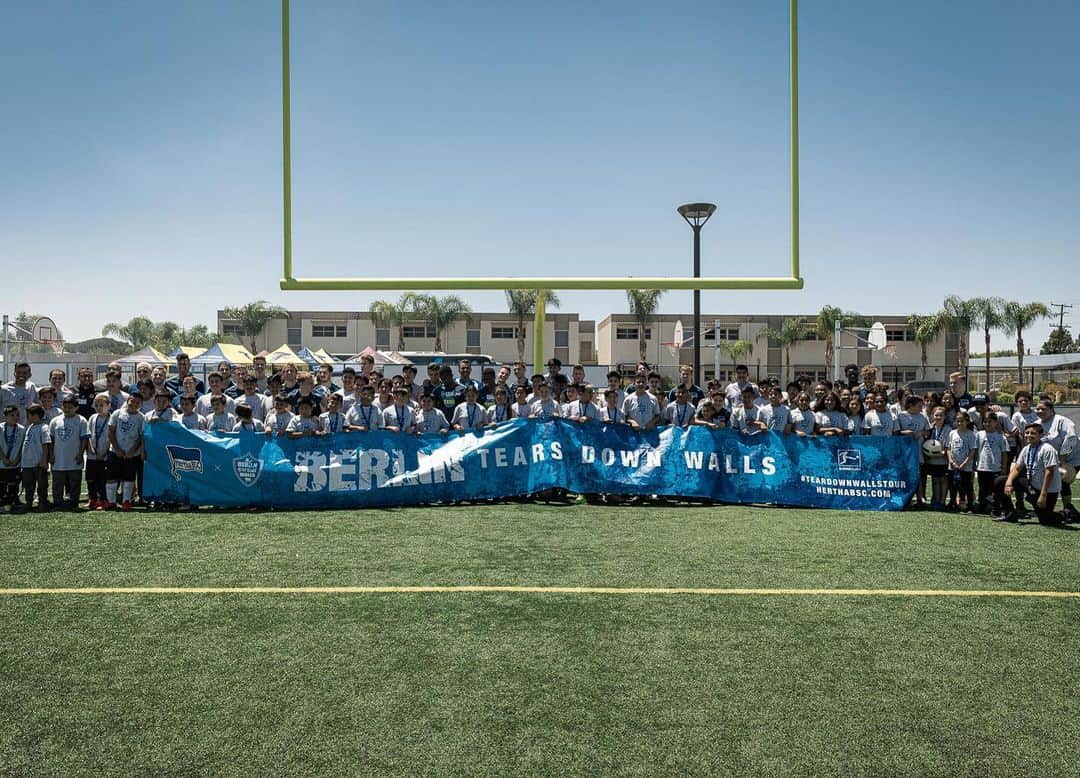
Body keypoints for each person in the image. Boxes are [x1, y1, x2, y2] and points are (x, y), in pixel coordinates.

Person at [995, 423, 1061, 524]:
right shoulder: (1026, 448)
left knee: (1046, 519)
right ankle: (1010, 514)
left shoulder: (1047, 449)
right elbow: (1017, 468)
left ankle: (1067, 513)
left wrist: (1043, 495)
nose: (1029, 435)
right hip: (1031, 484)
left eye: (1033, 433)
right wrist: (1008, 483)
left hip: (1047, 490)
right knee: (1000, 481)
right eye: (1027, 433)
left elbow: (1049, 473)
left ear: (1041, 435)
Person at [1032, 397, 1079, 521]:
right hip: (1055, 459)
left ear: (1051, 410)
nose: (1040, 411)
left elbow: (1071, 439)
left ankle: (1068, 509)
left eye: (1043, 409)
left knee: (1063, 480)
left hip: (1072, 458)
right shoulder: (1037, 423)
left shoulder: (1062, 421)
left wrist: (1062, 461)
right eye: (1038, 409)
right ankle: (1066, 509)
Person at [49, 396, 89, 511]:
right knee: (57, 483)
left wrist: (80, 454)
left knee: (74, 482)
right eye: (65, 407)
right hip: (58, 458)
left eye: (70, 407)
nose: (67, 409)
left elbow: (84, 439)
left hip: (74, 458)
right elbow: (51, 440)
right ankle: (58, 503)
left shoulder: (81, 420)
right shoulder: (55, 421)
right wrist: (51, 455)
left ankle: (73, 503)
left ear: (76, 408)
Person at [107, 393, 145, 510]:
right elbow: (111, 432)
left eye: (137, 403)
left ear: (141, 405)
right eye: (132, 401)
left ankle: (126, 501)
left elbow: (141, 437)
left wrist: (132, 450)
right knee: (111, 477)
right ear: (128, 400)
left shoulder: (141, 417)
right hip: (115, 452)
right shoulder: (117, 413)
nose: (134, 404)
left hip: (132, 454)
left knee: (129, 478)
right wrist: (117, 449)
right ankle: (111, 502)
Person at [898, 395, 931, 507]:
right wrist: (907, 433)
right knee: (905, 476)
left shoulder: (923, 417)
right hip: (904, 452)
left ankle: (920, 497)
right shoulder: (901, 416)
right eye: (919, 406)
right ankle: (905, 499)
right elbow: (896, 432)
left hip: (918, 451)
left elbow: (928, 432)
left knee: (919, 475)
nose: (921, 408)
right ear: (911, 405)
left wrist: (921, 433)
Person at [974, 412, 1010, 516]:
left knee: (995, 489)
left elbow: (1004, 453)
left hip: (995, 468)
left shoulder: (1000, 437)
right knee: (982, 488)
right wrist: (975, 464)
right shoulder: (979, 434)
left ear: (996, 422)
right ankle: (982, 506)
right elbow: (976, 450)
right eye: (985, 422)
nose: (987, 424)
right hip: (982, 467)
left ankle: (996, 508)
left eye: (990, 422)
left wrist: (1003, 467)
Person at [20, 404, 51, 511]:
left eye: (29, 415)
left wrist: (44, 460)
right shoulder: (30, 427)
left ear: (36, 415)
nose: (28, 417)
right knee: (28, 485)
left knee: (42, 485)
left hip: (38, 463)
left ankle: (42, 503)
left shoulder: (44, 427)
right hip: (27, 463)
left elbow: (46, 444)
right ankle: (29, 503)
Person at [946, 410, 976, 512]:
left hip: (966, 467)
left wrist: (964, 464)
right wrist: (951, 461)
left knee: (967, 486)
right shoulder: (952, 433)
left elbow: (972, 451)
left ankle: (970, 505)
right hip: (953, 465)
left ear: (967, 422)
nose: (960, 423)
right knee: (953, 485)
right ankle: (953, 502)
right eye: (958, 421)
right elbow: (949, 448)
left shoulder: (971, 434)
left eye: (962, 421)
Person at [86, 395, 112, 510]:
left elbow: (111, 437)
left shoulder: (112, 418)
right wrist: (90, 448)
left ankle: (103, 500)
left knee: (102, 479)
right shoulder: (92, 417)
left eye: (101, 405)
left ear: (108, 406)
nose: (98, 407)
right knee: (90, 478)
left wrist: (105, 451)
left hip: (104, 454)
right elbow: (89, 435)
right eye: (96, 405)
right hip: (92, 454)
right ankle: (92, 499)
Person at [924, 407, 951, 510]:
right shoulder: (930, 428)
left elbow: (949, 444)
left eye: (941, 415)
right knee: (935, 480)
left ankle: (942, 501)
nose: (938, 417)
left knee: (943, 480)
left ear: (945, 417)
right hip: (933, 459)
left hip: (943, 460)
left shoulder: (948, 429)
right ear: (932, 416)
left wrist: (943, 452)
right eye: (936, 415)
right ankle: (936, 500)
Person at [0, 405, 25, 511]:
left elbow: (22, 446)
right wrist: (3, 458)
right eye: (12, 415)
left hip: (15, 463)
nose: (15, 417)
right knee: (1, 485)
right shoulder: (0, 427)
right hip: (2, 463)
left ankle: (14, 501)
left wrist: (17, 459)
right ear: (5, 416)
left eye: (17, 415)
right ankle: (2, 503)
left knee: (14, 485)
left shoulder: (22, 429)